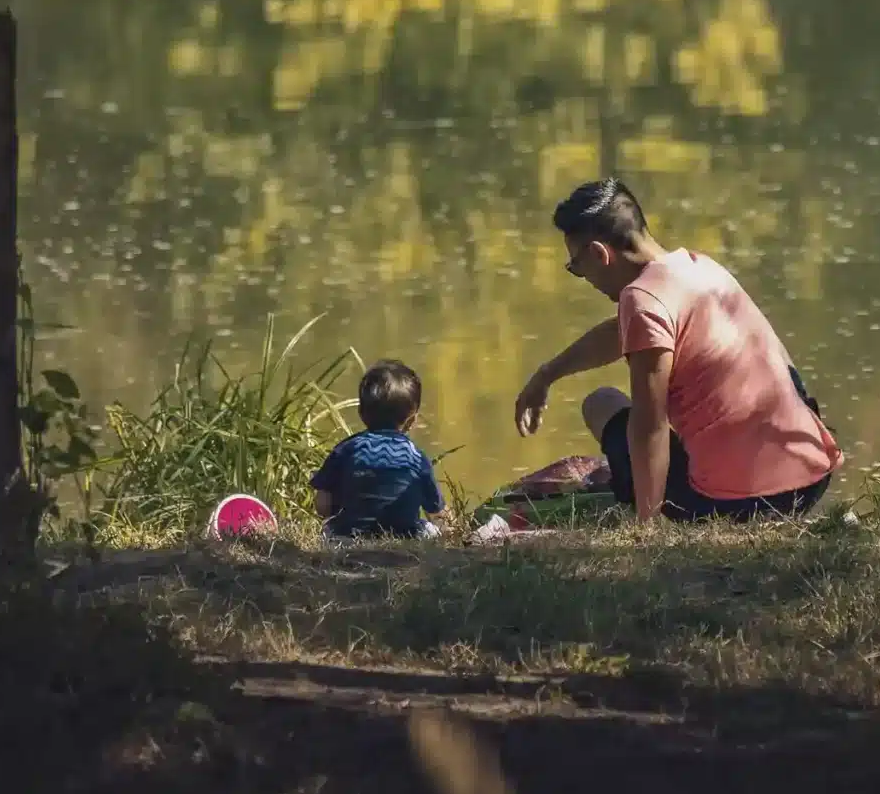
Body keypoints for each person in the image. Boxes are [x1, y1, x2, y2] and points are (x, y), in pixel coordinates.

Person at [515, 179, 842, 522]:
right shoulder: (697, 267)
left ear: (600, 254)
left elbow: (649, 426)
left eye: (576, 267)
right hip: (811, 481)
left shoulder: (641, 301)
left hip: (738, 505)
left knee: (601, 404)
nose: (583, 277)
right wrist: (547, 374)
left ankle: (665, 502)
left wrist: (648, 524)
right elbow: (623, 332)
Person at [312, 359, 445, 539]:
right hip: (405, 538)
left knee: (329, 528)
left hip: (346, 539)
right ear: (412, 420)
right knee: (429, 529)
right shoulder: (417, 457)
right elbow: (436, 513)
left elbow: (322, 503)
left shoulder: (346, 449)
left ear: (361, 412)